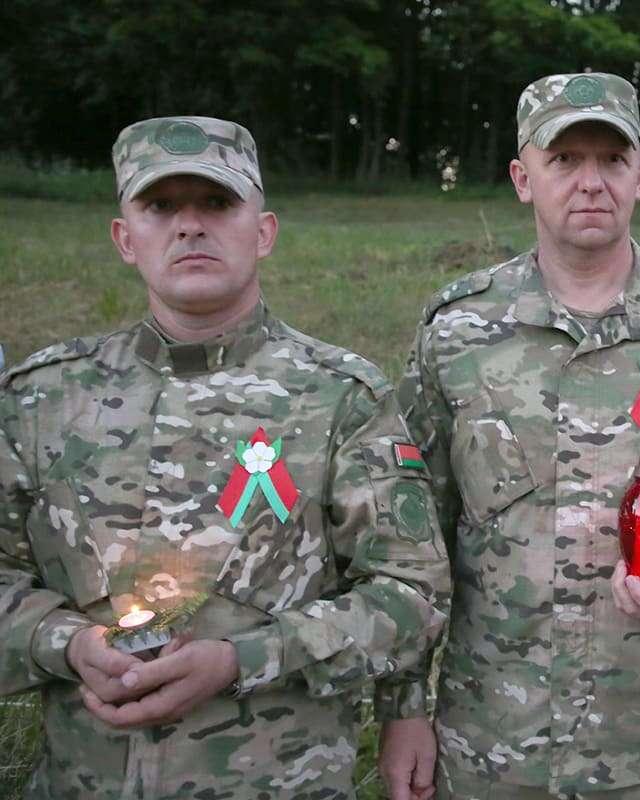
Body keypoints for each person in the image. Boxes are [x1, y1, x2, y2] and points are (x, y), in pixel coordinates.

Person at [0, 115, 450, 799]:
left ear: (263, 231)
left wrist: (246, 658)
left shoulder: (340, 398)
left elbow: (412, 591)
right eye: (160, 207)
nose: (189, 226)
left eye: (216, 202)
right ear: (125, 238)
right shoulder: (40, 399)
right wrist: (65, 643)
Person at [382, 73, 640, 799]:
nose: (591, 182)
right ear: (521, 178)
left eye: (612, 160)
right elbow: (411, 534)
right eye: (564, 159)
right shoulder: (457, 330)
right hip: (494, 743)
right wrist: (405, 708)